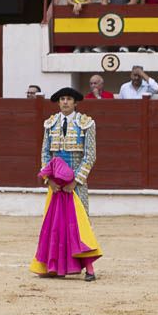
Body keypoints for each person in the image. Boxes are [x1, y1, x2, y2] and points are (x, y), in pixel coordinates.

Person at [40, 86, 98, 225]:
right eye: (62, 99)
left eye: (69, 99)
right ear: (59, 102)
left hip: (77, 182)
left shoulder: (86, 123)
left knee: (80, 220)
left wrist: (75, 182)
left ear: (75, 103)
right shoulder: (50, 123)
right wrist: (50, 181)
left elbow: (90, 155)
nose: (65, 102)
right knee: (57, 222)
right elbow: (45, 153)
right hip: (56, 183)